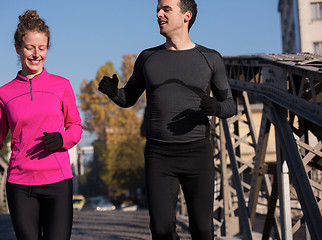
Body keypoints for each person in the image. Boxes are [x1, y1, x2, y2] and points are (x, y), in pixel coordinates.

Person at [99, 0, 236, 239]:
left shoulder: (210, 58)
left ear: (187, 15)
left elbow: (230, 105)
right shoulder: (148, 57)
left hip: (198, 154)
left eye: (166, 9)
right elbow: (128, 98)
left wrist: (216, 107)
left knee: (203, 230)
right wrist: (113, 92)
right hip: (159, 155)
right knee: (161, 230)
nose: (159, 14)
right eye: (157, 10)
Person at [0, 10, 83, 240]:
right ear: (18, 48)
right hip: (19, 184)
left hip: (57, 181)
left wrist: (62, 140)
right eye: (30, 48)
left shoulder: (61, 85)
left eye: (42, 48)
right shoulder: (4, 94)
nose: (36, 54)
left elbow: (75, 126)